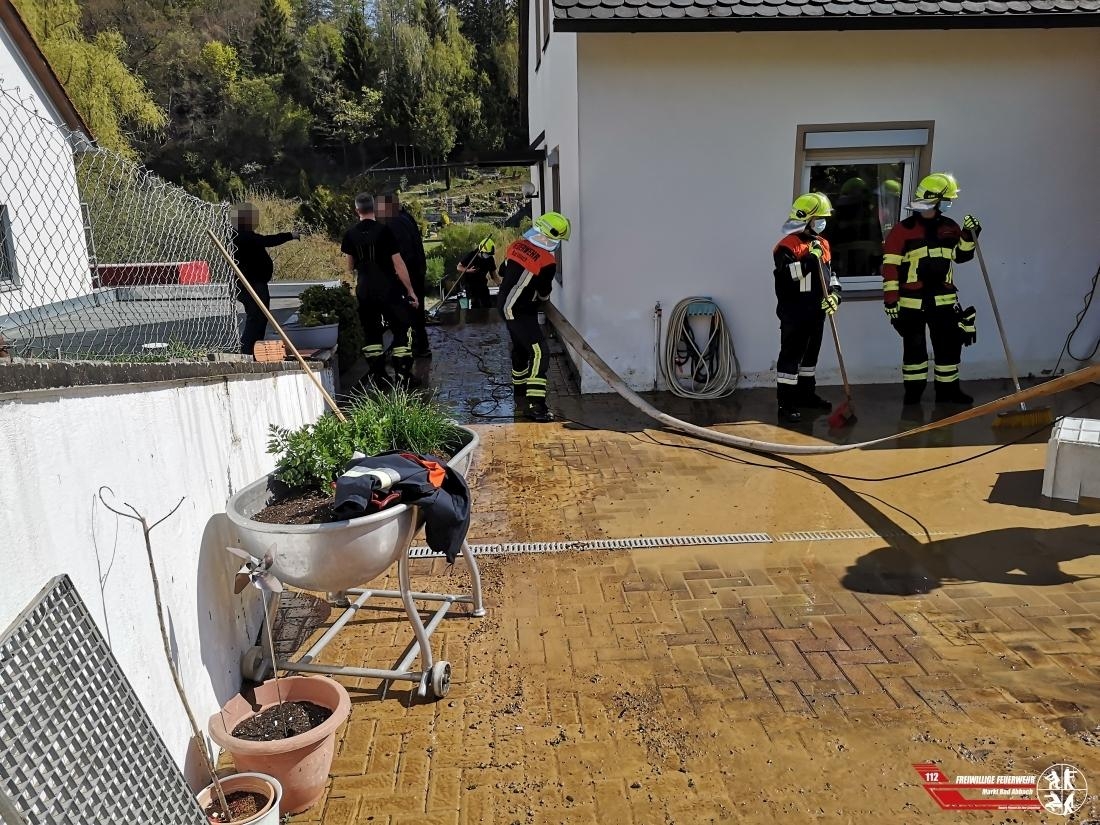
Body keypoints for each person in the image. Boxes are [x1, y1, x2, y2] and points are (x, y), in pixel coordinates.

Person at [881, 172, 981, 406]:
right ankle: (913, 395)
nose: (950, 203)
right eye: (947, 199)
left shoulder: (950, 227)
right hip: (912, 302)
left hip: (944, 301)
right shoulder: (902, 230)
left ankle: (948, 392)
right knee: (914, 352)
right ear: (934, 200)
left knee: (948, 349)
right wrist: (891, 299)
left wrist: (969, 235)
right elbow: (890, 266)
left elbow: (961, 256)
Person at [773, 192, 842, 423]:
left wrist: (835, 296)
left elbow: (831, 275)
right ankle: (786, 404)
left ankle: (806, 395)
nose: (822, 223)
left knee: (810, 359)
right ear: (807, 219)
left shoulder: (823, 244)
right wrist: (810, 259)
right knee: (791, 360)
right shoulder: (787, 246)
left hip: (817, 312)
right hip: (795, 314)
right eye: (819, 218)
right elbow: (788, 277)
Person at [497, 212, 571, 422]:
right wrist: (539, 297)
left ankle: (520, 396)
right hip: (518, 311)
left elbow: (502, 271)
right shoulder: (547, 262)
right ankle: (535, 405)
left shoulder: (516, 245)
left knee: (521, 350)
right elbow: (544, 293)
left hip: (505, 305)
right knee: (540, 352)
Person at [341, 193, 420, 388]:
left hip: (365, 290)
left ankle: (379, 378)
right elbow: (398, 264)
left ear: (357, 210)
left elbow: (349, 267)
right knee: (401, 327)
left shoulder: (350, 235)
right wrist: (410, 290)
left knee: (371, 333)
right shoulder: (385, 231)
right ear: (374, 209)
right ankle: (403, 376)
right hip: (388, 288)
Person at [231, 202, 299, 355]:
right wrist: (290, 235)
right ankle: (249, 350)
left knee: (259, 317)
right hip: (251, 284)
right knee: (256, 317)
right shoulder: (243, 236)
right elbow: (267, 240)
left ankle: (254, 349)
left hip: (253, 282)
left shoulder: (240, 235)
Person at [378, 191, 431, 358]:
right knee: (417, 313)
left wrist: (395, 275)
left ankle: (406, 351)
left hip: (407, 275)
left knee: (404, 315)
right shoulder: (407, 218)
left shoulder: (394, 223)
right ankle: (421, 347)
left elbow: (402, 254)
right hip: (417, 272)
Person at [457, 237, 498, 308]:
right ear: (481, 251)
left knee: (487, 304)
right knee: (474, 306)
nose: (488, 256)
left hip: (482, 285)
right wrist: (468, 270)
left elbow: (494, 275)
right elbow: (459, 267)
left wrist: (500, 284)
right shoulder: (471, 255)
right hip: (470, 286)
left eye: (489, 254)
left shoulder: (490, 259)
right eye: (487, 254)